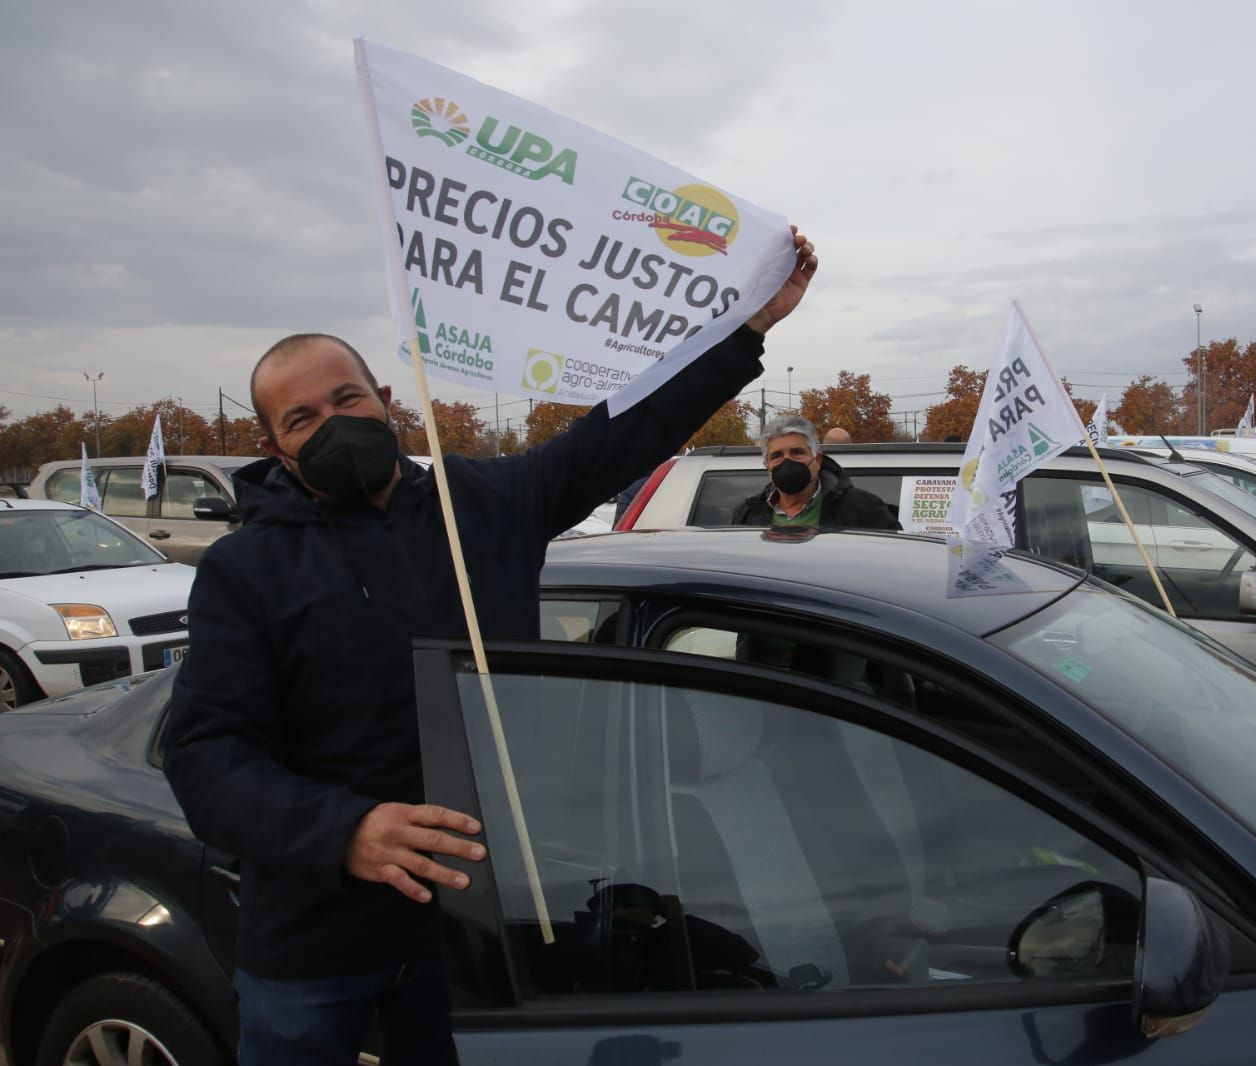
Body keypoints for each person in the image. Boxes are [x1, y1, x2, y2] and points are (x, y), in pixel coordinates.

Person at [162, 230, 819, 1065]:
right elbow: (206, 754)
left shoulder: (485, 503)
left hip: (482, 925)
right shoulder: (242, 570)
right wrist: (343, 832)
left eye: (346, 399)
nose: (333, 423)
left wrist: (747, 326)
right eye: (303, 418)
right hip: (314, 940)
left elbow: (621, 431)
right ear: (274, 446)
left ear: (387, 398)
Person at [731, 414, 899, 530]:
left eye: (797, 452)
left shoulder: (861, 507)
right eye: (777, 456)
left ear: (817, 460)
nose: (787, 461)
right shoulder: (748, 514)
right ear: (766, 464)